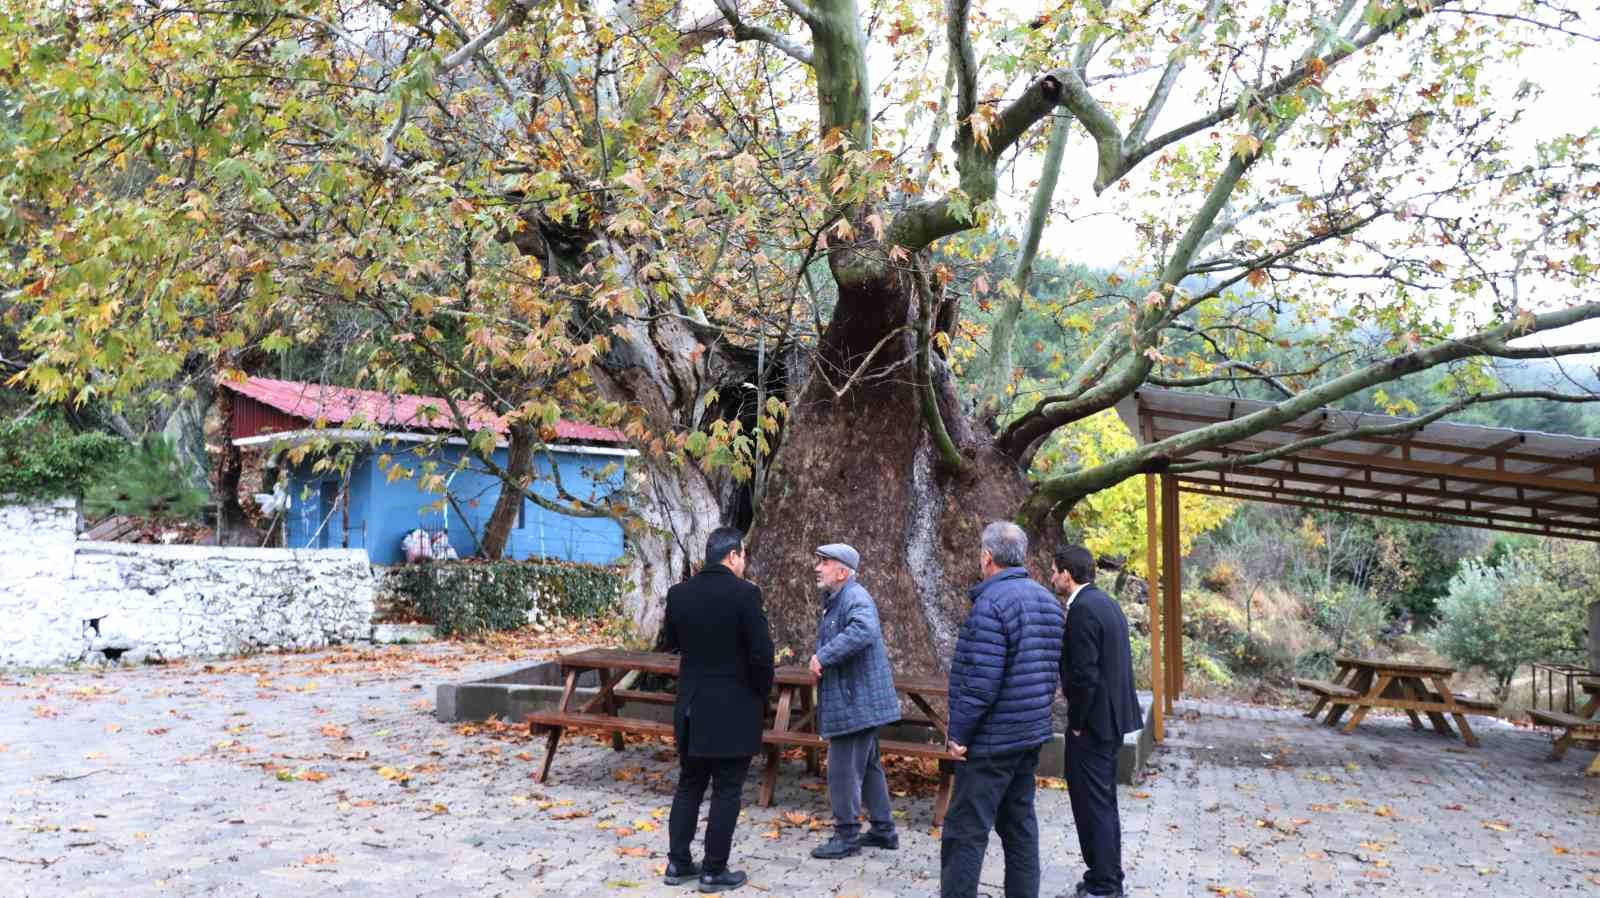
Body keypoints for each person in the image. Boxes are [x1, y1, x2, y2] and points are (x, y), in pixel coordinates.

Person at [941, 522, 1064, 898]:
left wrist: (959, 734)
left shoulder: (990, 605)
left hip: (992, 741)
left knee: (965, 831)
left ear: (987, 557)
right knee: (1020, 826)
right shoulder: (1048, 601)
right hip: (1030, 734)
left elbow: (980, 681)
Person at [662, 526, 775, 893]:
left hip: (692, 706)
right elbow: (762, 654)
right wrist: (761, 695)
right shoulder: (746, 595)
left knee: (689, 785)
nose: (744, 562)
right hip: (734, 707)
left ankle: (678, 863)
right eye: (743, 555)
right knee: (727, 790)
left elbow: (673, 643)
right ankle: (713, 870)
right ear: (733, 555)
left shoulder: (678, 594)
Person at [1053, 545, 1142, 898]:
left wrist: (1076, 721)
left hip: (1093, 724)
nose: (1052, 577)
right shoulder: (1105, 603)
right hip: (1111, 719)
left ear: (1068, 575)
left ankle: (1105, 883)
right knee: (1100, 801)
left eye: (1054, 571)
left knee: (1093, 804)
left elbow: (1084, 675)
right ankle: (1103, 876)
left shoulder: (1083, 610)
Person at [807, 543, 901, 860]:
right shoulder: (839, 598)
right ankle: (884, 830)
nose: (817, 567)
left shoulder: (855, 597)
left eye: (825, 562)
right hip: (858, 700)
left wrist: (823, 656)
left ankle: (846, 836)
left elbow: (864, 630)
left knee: (842, 769)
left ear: (843, 571)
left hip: (855, 702)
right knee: (869, 766)